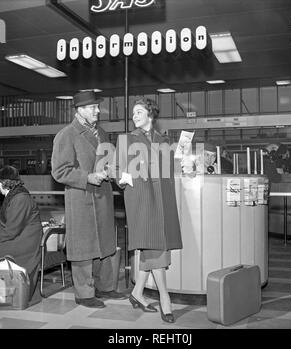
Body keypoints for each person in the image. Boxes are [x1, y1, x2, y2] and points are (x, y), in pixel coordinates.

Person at [51, 90, 126, 309]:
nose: (97, 111)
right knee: (84, 247)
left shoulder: (101, 133)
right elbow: (59, 171)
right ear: (80, 110)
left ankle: (104, 286)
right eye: (92, 107)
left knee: (105, 244)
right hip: (81, 197)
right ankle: (84, 293)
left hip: (102, 196)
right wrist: (87, 177)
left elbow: (109, 161)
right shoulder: (66, 135)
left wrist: (117, 173)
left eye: (97, 107)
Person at [115, 98, 183, 323]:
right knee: (156, 247)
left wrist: (185, 164)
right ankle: (165, 298)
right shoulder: (126, 140)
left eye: (139, 112)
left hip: (163, 200)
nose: (134, 116)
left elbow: (170, 168)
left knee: (153, 245)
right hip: (141, 200)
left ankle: (136, 293)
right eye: (133, 113)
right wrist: (126, 178)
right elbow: (118, 170)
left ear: (150, 115)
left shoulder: (163, 139)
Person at [0, 165, 43, 302]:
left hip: (25, 242)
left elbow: (11, 230)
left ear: (3, 183)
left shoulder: (20, 198)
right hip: (22, 238)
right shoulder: (15, 196)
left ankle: (8, 293)